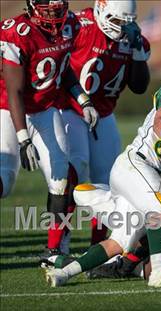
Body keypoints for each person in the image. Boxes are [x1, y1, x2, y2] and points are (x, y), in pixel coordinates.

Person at [45, 83, 161, 287]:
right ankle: (159, 272)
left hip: (146, 176)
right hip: (136, 165)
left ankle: (63, 273)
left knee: (118, 243)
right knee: (160, 210)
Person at [0, 0, 98, 258]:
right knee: (5, 181)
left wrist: (83, 99)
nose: (53, 11)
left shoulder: (70, 26)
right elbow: (15, 92)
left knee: (60, 178)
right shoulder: (17, 33)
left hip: (45, 110)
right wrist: (23, 139)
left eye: (57, 5)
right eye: (47, 6)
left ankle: (53, 250)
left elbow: (63, 71)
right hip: (9, 111)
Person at [61, 0, 151, 245]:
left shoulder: (133, 39)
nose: (121, 27)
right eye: (116, 21)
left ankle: (98, 244)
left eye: (126, 22)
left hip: (104, 113)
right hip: (70, 108)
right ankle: (59, 243)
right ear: (101, 10)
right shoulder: (78, 25)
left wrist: (138, 52)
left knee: (107, 180)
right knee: (73, 171)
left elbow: (140, 86)